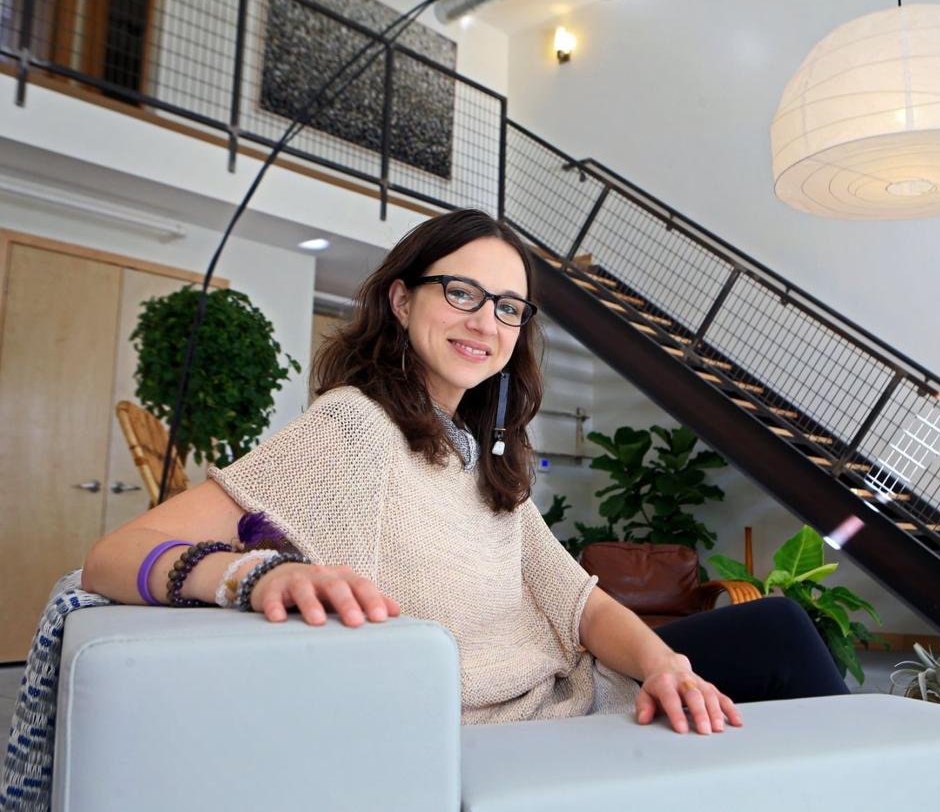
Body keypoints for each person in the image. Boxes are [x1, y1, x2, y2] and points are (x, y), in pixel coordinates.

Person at [82, 209, 847, 735]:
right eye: (462, 293)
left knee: (775, 628)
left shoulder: (483, 457)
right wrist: (254, 575)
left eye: (509, 308)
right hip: (509, 724)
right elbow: (111, 557)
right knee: (779, 639)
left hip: (577, 691)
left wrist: (665, 665)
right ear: (401, 298)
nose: (487, 322)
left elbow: (577, 604)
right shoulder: (353, 425)